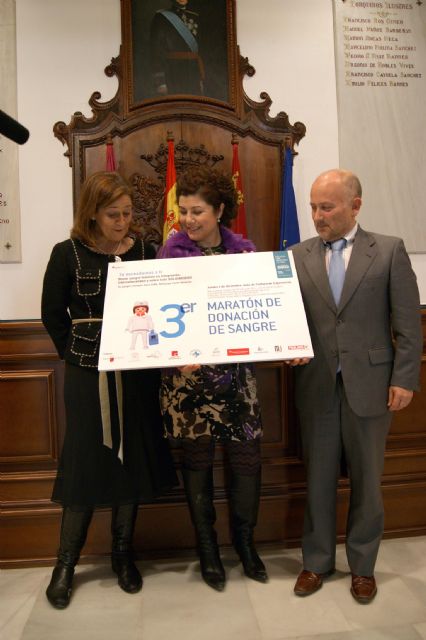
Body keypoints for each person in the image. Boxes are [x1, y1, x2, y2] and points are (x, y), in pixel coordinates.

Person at [41, 171, 178, 609]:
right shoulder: (67, 254)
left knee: (131, 456)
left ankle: (122, 553)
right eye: (112, 215)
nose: (122, 222)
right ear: (92, 215)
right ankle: (66, 563)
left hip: (137, 370)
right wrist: (78, 352)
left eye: (127, 213)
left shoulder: (146, 252)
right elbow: (52, 315)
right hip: (88, 373)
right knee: (85, 458)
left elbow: (163, 306)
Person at [289, 169, 422, 603]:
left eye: (327, 207)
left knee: (367, 482)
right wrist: (287, 345)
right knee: (318, 480)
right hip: (316, 385)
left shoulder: (388, 250)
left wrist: (404, 379)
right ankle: (316, 562)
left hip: (372, 386)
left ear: (355, 206)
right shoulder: (295, 255)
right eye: (313, 207)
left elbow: (408, 325)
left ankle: (363, 567)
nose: (317, 216)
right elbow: (287, 319)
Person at [157, 165, 268, 591]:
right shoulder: (168, 254)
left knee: (246, 460)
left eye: (197, 211)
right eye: (183, 211)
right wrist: (174, 358)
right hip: (187, 381)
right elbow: (157, 319)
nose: (187, 220)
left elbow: (262, 314)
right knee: (198, 463)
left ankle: (246, 544)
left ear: (220, 210)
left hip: (237, 378)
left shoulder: (245, 254)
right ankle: (208, 549)